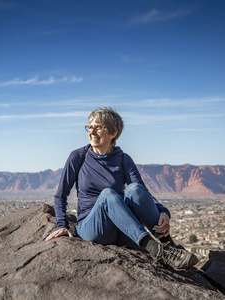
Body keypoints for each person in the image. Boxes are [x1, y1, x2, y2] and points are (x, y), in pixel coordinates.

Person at [46, 107, 198, 271]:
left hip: (123, 230)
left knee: (134, 189)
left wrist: (163, 211)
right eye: (90, 127)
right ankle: (155, 249)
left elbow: (142, 193)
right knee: (108, 194)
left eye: (98, 127)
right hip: (93, 229)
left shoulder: (123, 159)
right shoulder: (78, 157)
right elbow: (60, 195)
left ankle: (169, 245)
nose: (92, 131)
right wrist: (62, 225)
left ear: (113, 134)